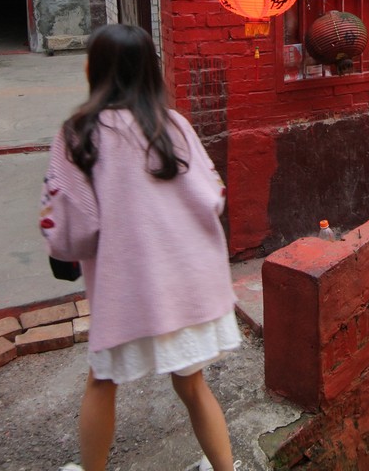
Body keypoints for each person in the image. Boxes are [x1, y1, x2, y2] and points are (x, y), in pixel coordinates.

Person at [40, 25, 241, 471]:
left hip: (127, 290)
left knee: (102, 382)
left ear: (94, 69)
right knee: (192, 384)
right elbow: (214, 197)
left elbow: (74, 225)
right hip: (186, 284)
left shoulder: (79, 133)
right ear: (152, 70)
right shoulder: (175, 125)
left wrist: (61, 245)